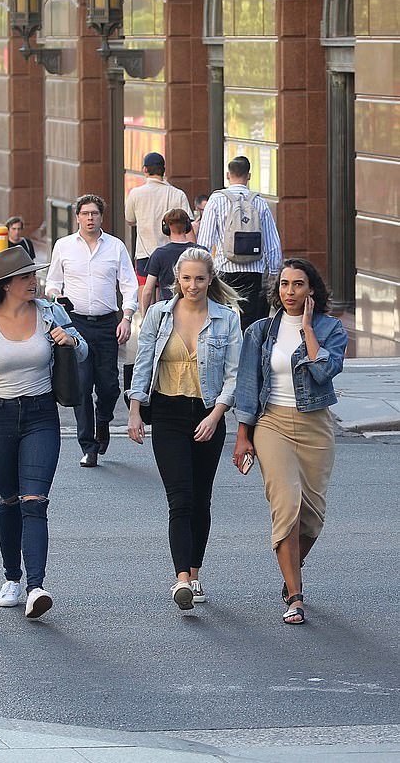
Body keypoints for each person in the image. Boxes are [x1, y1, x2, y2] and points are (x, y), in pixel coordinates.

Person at [0, 246, 87, 617]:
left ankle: (36, 587)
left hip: (40, 415)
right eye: (25, 277)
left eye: (34, 275)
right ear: (5, 285)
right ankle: (12, 578)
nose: (33, 282)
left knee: (35, 501)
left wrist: (71, 340)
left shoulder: (51, 313)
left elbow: (82, 352)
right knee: (8, 499)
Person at [233, 258, 347, 625]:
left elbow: (324, 370)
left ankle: (291, 567)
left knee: (312, 518)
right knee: (287, 506)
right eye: (284, 284)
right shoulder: (261, 331)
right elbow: (248, 386)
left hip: (316, 426)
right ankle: (295, 595)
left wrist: (309, 328)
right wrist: (242, 436)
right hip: (272, 424)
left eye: (298, 284)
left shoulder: (331, 329)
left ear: (311, 289)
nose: (290, 291)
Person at [127, 246, 242, 611]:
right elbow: (143, 362)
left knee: (200, 497)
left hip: (208, 412)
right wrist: (133, 410)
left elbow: (234, 375)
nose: (193, 285)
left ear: (211, 280)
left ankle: (195, 572)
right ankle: (181, 580)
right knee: (179, 496)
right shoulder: (160, 315)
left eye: (200, 278)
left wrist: (215, 415)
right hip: (167, 413)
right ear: (177, 279)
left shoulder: (226, 318)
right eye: (187, 278)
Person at [46, 194, 138, 467]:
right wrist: (55, 298)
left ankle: (104, 422)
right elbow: (52, 283)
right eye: (85, 214)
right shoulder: (63, 246)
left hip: (108, 323)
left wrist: (127, 318)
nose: (89, 218)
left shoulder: (115, 246)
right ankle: (89, 446)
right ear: (77, 217)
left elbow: (129, 285)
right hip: (76, 324)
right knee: (82, 386)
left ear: (101, 217)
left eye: (94, 214)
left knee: (109, 386)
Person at [197, 156, 282, 331]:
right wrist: (274, 272)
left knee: (222, 319)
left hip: (224, 269)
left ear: (228, 175)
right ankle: (247, 354)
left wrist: (201, 270)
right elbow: (272, 242)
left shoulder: (216, 200)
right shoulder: (259, 202)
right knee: (251, 323)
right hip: (255, 271)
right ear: (248, 176)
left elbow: (205, 240)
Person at [125, 152, 192, 309]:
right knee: (170, 295)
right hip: (172, 252)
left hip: (144, 253)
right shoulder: (177, 194)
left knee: (146, 290)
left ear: (145, 170)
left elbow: (130, 220)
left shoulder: (135, 194)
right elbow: (188, 224)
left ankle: (145, 323)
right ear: (164, 170)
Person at [141, 209, 204, 315]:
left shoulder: (159, 254)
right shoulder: (201, 252)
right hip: (197, 310)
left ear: (166, 228)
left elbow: (148, 291)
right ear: (188, 227)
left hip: (167, 311)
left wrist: (144, 317)